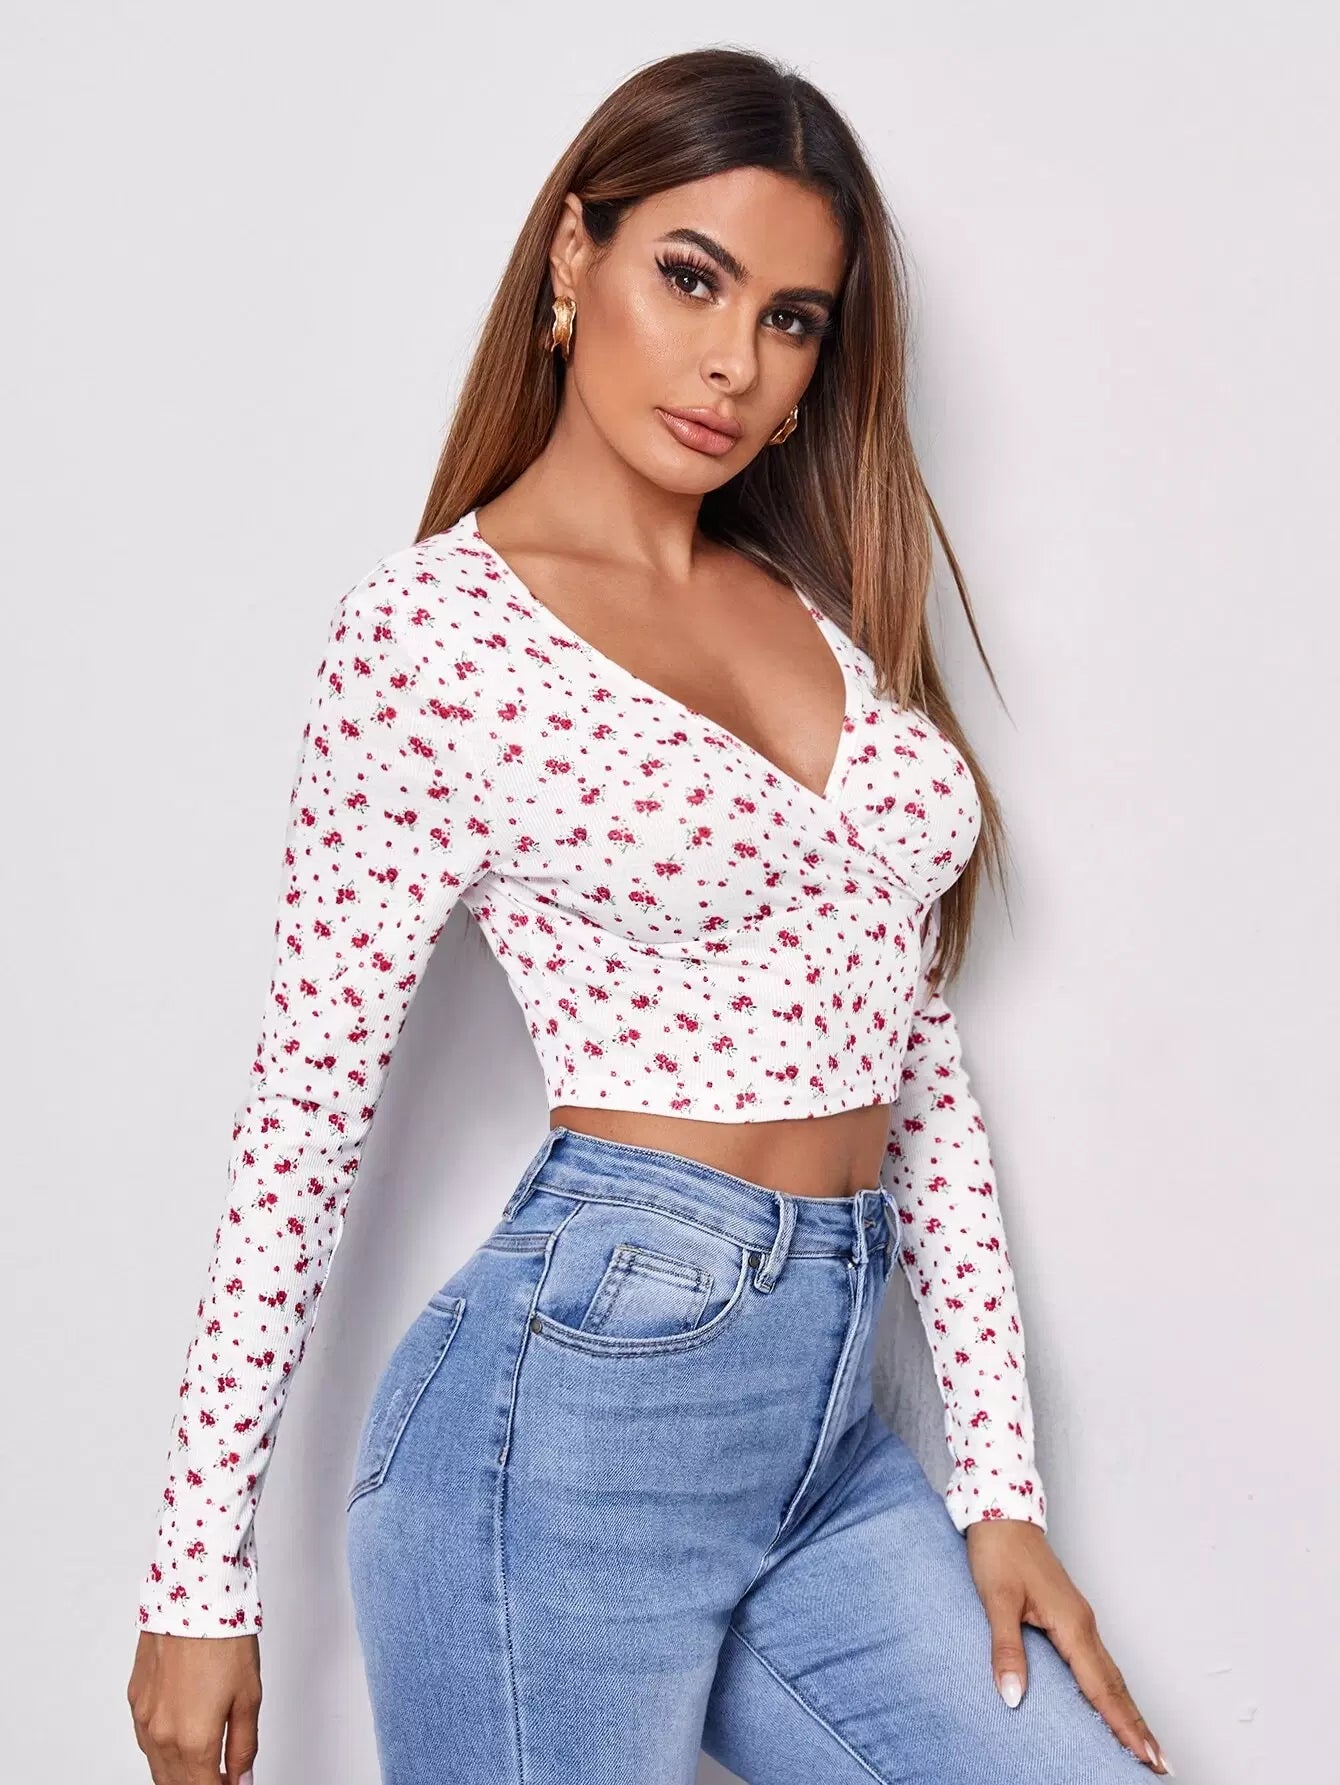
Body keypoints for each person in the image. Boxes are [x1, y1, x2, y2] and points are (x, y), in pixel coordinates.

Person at [127, 45, 1174, 1785]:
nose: (734, 360)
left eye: (791, 320)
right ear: (573, 256)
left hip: (827, 1438)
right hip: (567, 1426)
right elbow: (305, 1104)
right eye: (692, 277)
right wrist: (195, 1576)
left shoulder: (813, 616)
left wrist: (999, 1484)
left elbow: (915, 1056)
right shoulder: (435, 638)